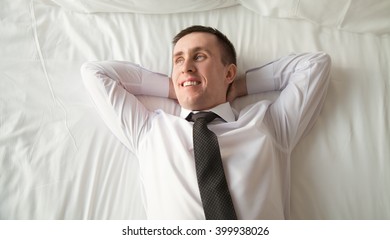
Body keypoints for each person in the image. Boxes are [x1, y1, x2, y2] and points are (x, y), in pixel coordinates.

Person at [81, 25, 331, 219]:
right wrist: (176, 86)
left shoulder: (270, 124)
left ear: (229, 72)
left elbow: (315, 65)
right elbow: (95, 73)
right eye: (178, 60)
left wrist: (239, 87)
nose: (186, 66)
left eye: (199, 57)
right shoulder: (148, 130)